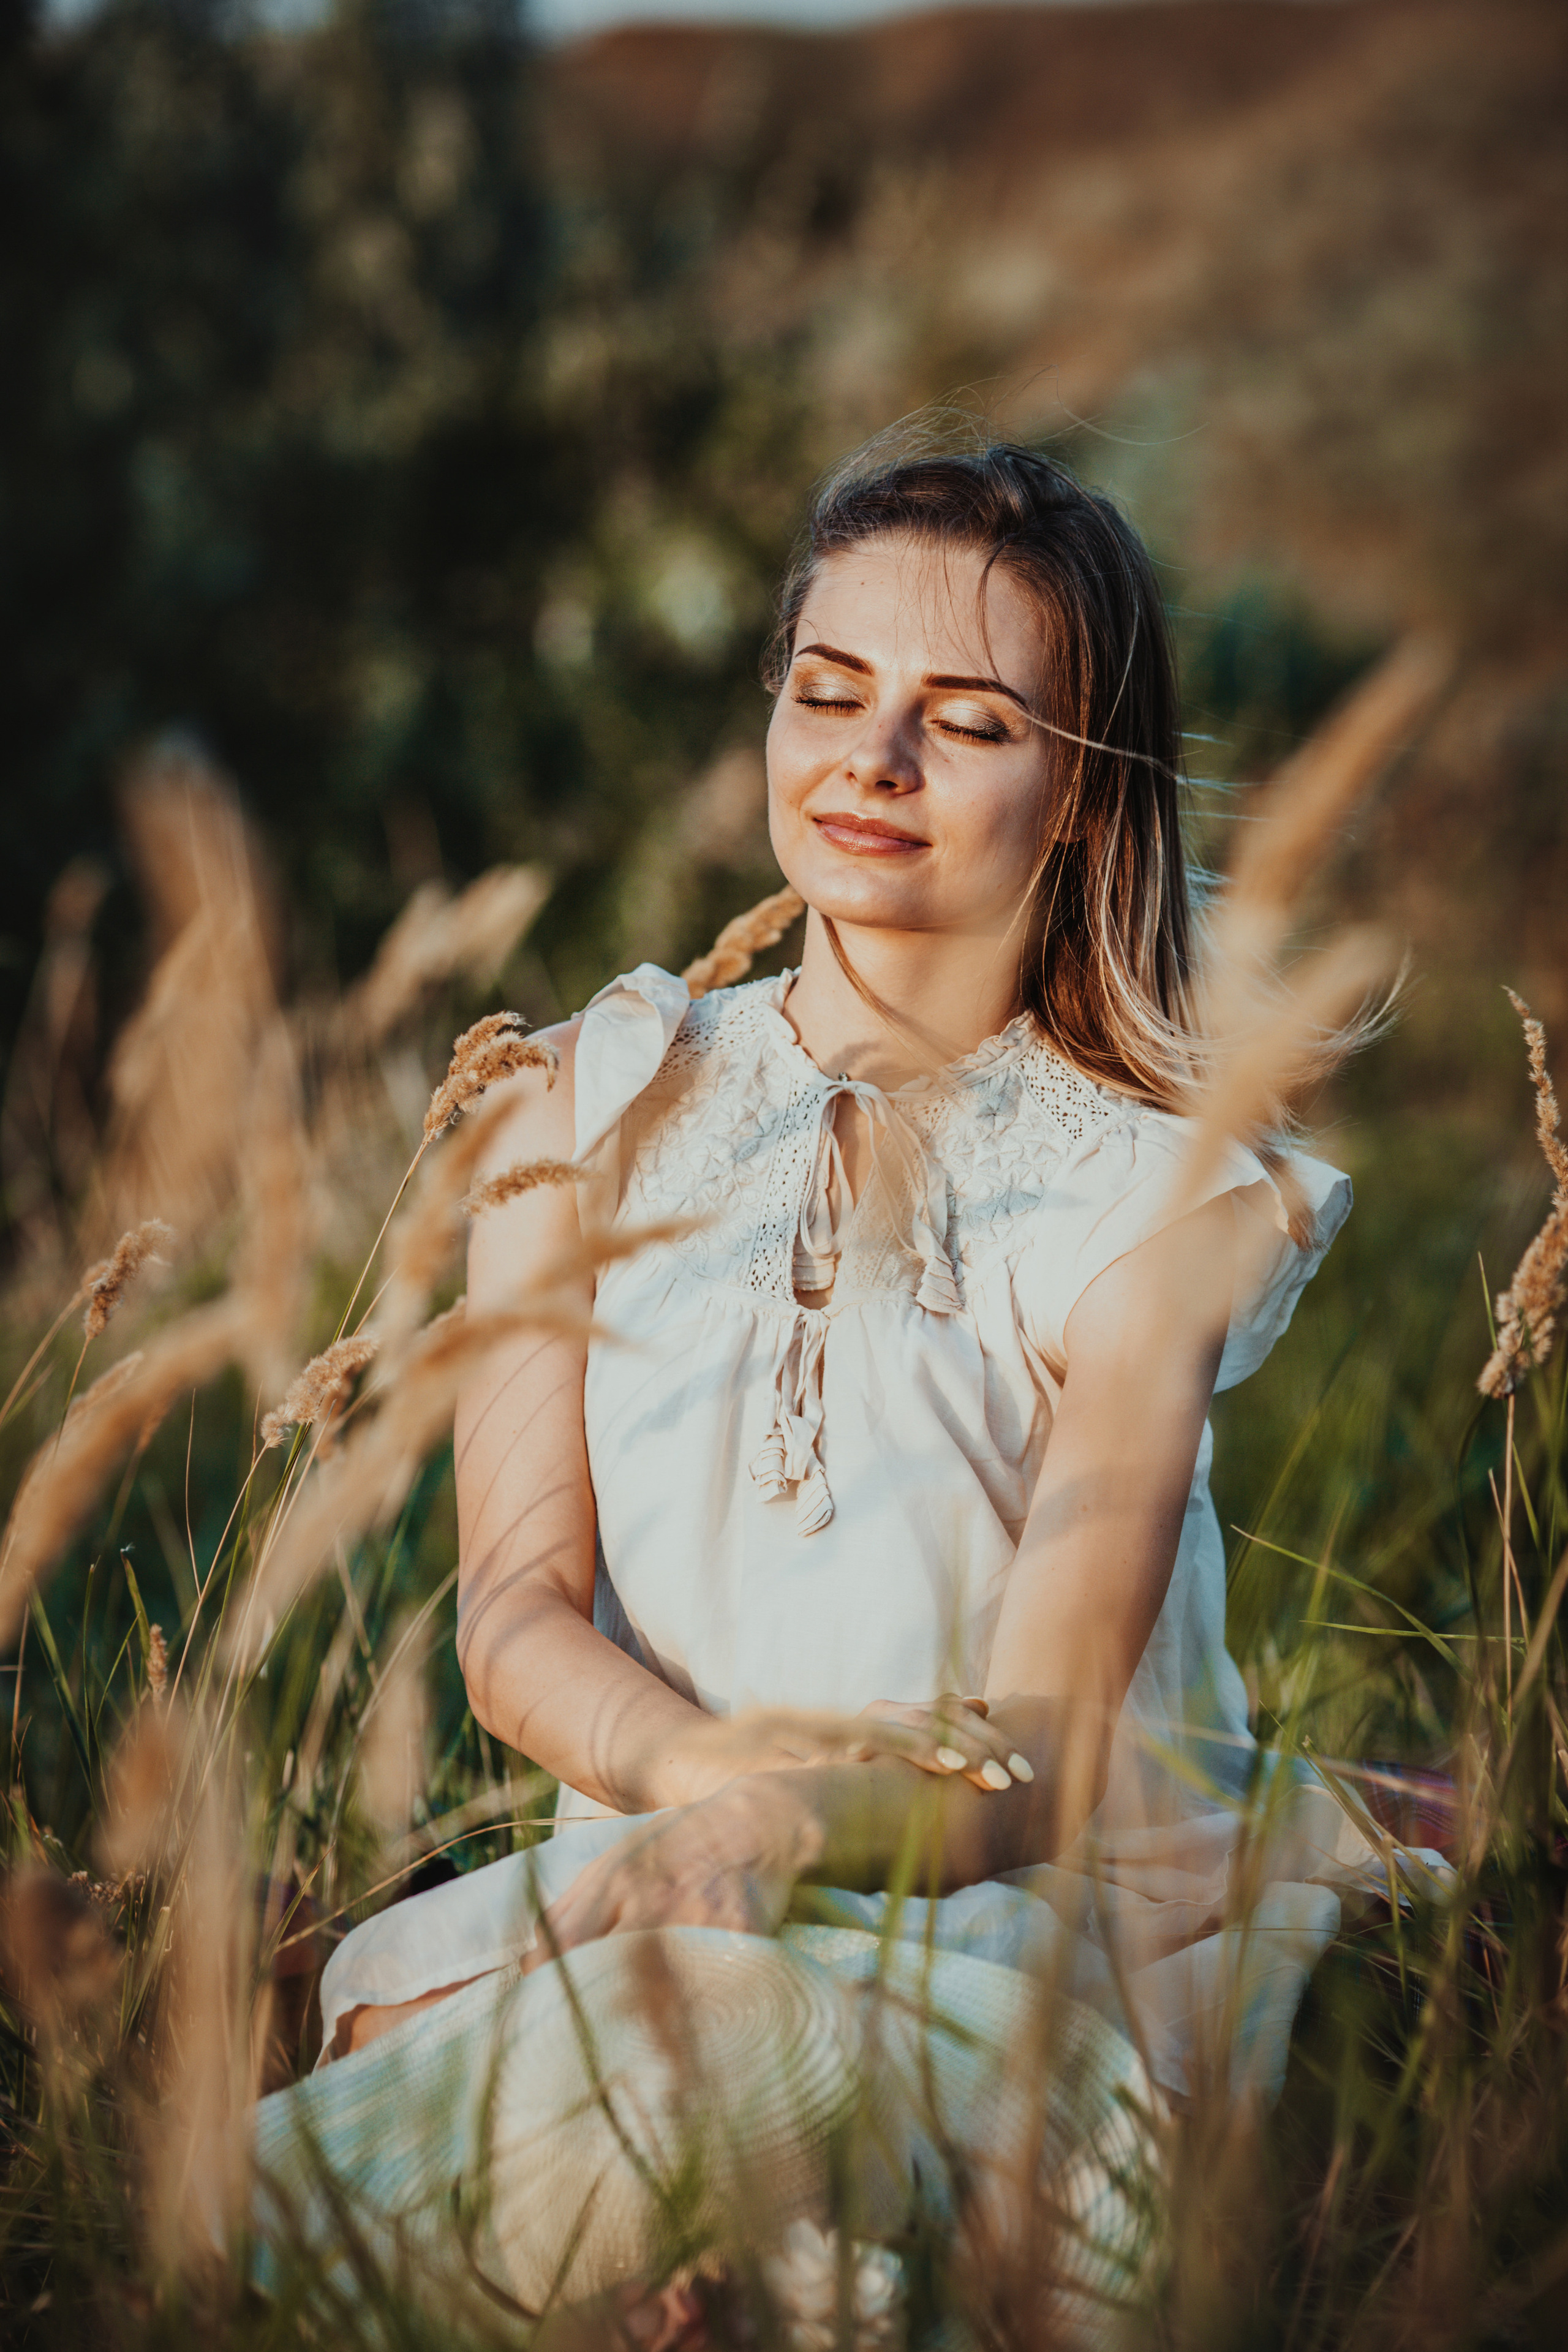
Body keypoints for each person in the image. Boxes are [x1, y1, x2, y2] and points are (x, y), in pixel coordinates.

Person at [251, 436, 1387, 2326]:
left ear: (1087, 799)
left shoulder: (1151, 1200)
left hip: (1016, 1936)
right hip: (659, 1878)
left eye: (969, 722)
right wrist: (699, 1784)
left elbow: (1044, 1745)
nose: (875, 762)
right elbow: (515, 1616)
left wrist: (793, 1825)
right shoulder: (575, 1101)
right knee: (631, 2018)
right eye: (830, 693)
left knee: (737, 2033)